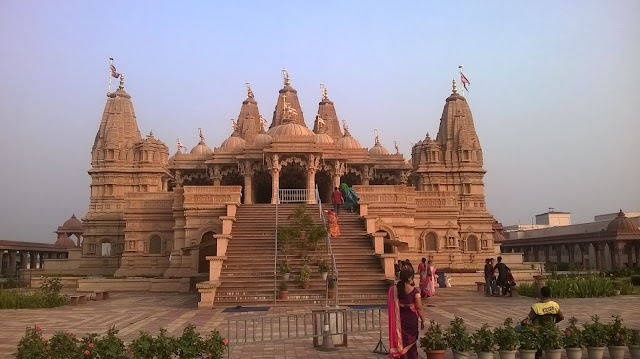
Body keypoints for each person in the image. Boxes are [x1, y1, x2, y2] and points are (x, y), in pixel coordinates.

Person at [388, 269, 425, 359]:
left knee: (401, 339)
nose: (413, 280)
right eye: (412, 278)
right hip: (411, 319)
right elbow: (419, 307)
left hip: (399, 318)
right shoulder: (415, 291)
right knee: (410, 341)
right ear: (409, 278)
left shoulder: (394, 289)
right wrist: (423, 319)